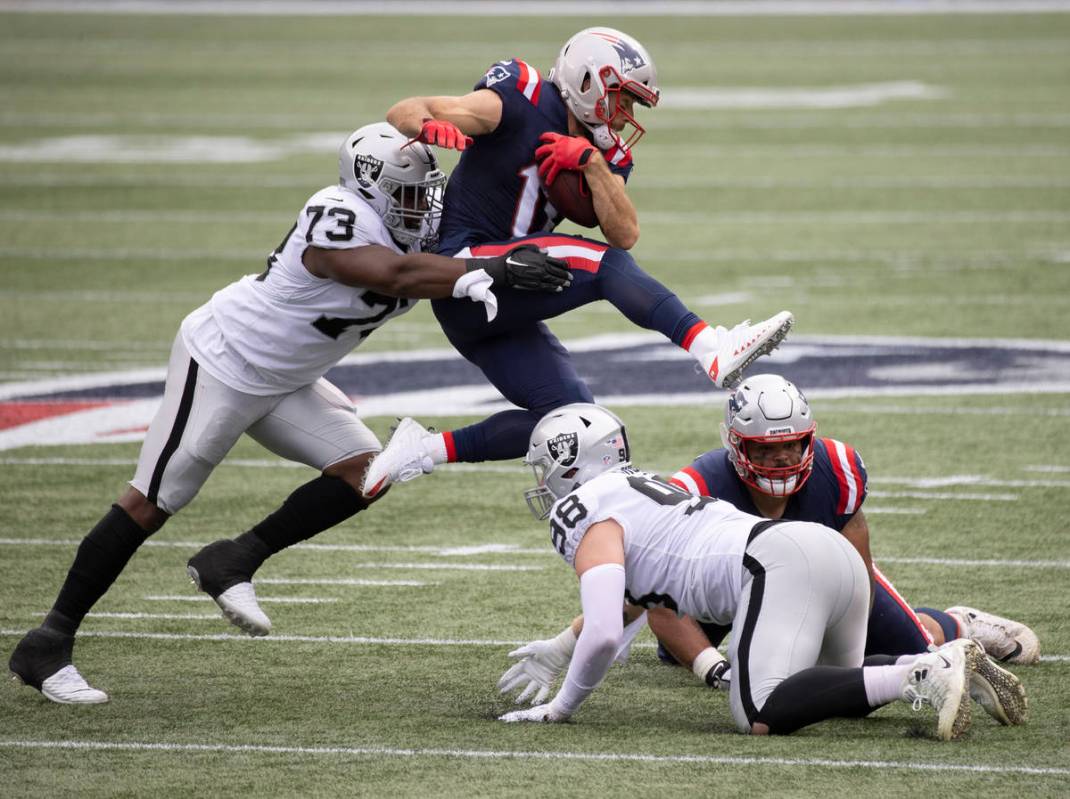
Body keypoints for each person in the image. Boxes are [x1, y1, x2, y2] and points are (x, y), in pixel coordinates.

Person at [6, 122, 571, 705]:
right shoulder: (335, 213)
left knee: (367, 471)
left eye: (425, 191)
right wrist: (492, 272)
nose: (420, 205)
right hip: (225, 360)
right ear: (370, 185)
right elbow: (391, 275)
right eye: (407, 192)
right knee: (150, 503)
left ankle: (233, 559)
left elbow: (475, 244)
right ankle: (48, 642)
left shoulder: (421, 228)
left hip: (288, 378)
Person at [362, 27, 793, 498]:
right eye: (622, 99)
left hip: (510, 292)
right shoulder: (520, 96)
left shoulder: (604, 150)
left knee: (571, 420)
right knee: (603, 267)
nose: (626, 116)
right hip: (463, 272)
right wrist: (427, 126)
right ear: (588, 83)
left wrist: (590, 161)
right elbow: (403, 110)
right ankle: (710, 345)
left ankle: (422, 449)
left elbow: (625, 231)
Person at [499, 376, 1034, 726]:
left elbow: (605, 630)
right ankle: (941, 663)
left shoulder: (585, 510)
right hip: (821, 557)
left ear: (569, 465)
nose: (544, 484)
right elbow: (638, 600)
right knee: (835, 696)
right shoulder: (648, 489)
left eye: (545, 469)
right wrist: (559, 646)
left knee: (762, 711)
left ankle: (920, 671)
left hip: (778, 564)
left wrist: (560, 708)